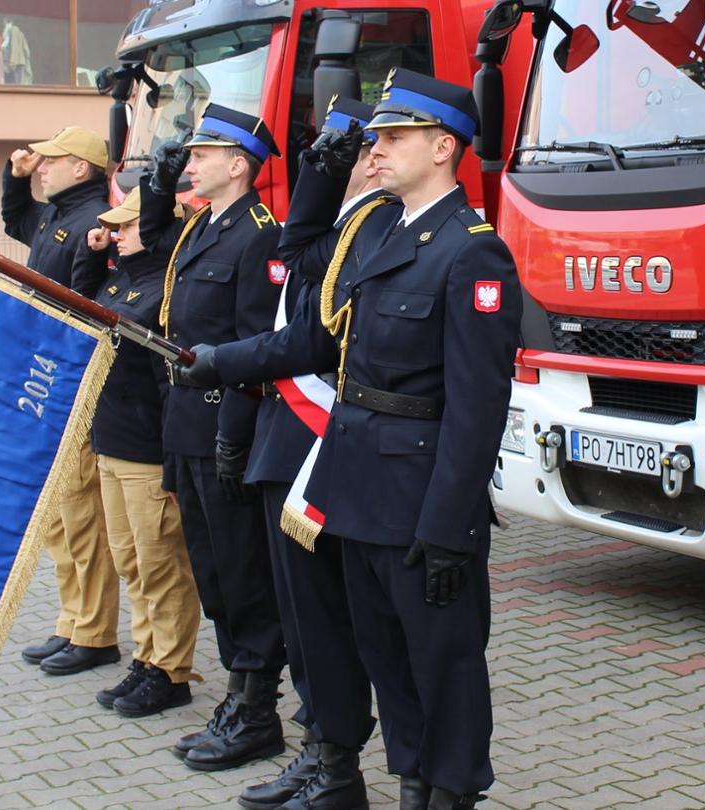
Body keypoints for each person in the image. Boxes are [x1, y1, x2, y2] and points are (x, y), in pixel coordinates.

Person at [179, 71, 520, 810]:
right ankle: (410, 786)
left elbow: (477, 407)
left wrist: (451, 526)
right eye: (378, 136)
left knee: (442, 665)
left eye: (394, 137)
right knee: (387, 661)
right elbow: (313, 337)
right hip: (355, 483)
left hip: (419, 493)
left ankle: (450, 792)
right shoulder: (382, 234)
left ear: (441, 147)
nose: (377, 147)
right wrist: (216, 360)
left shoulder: (471, 253)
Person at [236, 97, 390, 810]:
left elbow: (294, 253)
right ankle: (319, 751)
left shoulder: (375, 227)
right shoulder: (342, 222)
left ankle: (337, 768)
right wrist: (320, 172)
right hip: (285, 436)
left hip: (321, 442)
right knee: (303, 623)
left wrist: (320, 178)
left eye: (345, 148)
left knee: (326, 623)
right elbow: (296, 252)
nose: (331, 162)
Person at [138, 103, 290, 772]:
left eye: (202, 154)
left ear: (239, 165)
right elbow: (151, 238)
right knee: (213, 572)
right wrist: (155, 182)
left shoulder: (259, 234)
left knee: (242, 573)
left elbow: (256, 347)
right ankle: (237, 696)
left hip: (223, 426)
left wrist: (234, 435)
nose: (190, 162)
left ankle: (257, 711)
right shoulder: (203, 225)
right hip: (186, 427)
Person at [3, 125, 121, 676]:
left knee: (81, 514)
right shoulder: (55, 216)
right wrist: (16, 175)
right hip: (45, 381)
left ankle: (95, 632)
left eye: (53, 161)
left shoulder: (93, 222)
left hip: (73, 385)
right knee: (58, 518)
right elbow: (14, 219)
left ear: (82, 169)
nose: (41, 169)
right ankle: (72, 620)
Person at [81, 189, 203, 719]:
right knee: (131, 562)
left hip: (147, 451)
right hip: (111, 442)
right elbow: (78, 309)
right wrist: (91, 254)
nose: (116, 234)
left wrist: (172, 458)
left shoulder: (162, 291)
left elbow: (168, 384)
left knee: (161, 565)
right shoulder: (120, 278)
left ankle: (171, 670)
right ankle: (146, 656)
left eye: (126, 226)